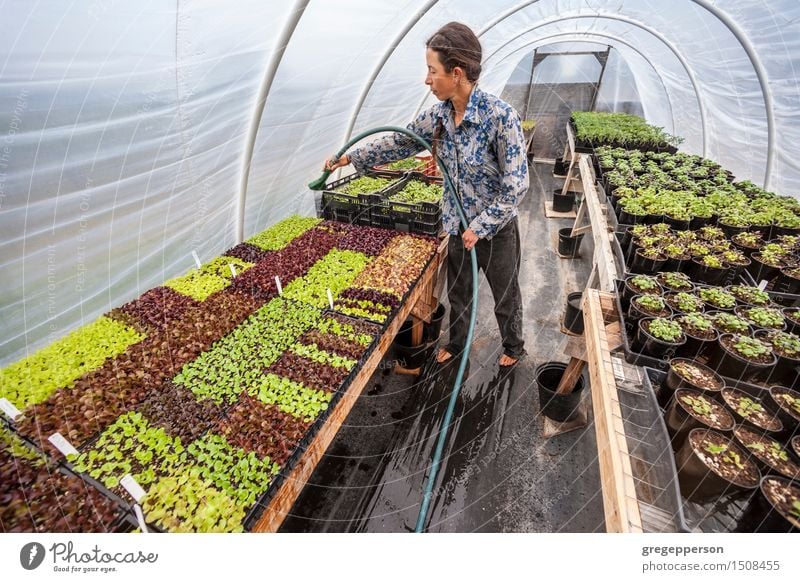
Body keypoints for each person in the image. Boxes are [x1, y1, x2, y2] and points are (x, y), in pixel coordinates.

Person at [324, 22, 529, 367]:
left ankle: (513, 347)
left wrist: (480, 225)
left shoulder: (500, 117)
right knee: (460, 292)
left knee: (505, 295)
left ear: (457, 73)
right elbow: (400, 142)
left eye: (432, 71)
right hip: (455, 224)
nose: (427, 79)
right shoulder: (437, 117)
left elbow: (516, 184)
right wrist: (351, 157)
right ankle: (459, 344)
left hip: (495, 229)